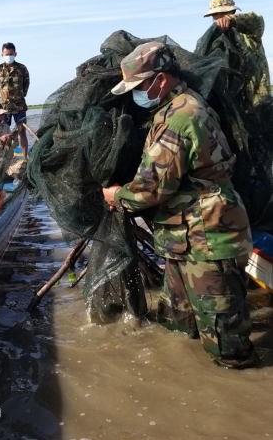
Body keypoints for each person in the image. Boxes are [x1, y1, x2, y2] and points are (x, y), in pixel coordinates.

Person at [102, 41, 258, 369]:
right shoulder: (177, 108)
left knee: (229, 350)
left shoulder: (179, 118)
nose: (136, 95)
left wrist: (117, 196)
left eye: (139, 87)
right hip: (184, 241)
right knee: (178, 327)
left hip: (209, 241)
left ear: (160, 80)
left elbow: (151, 189)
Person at [197, 0, 270, 107]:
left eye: (223, 13)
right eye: (215, 14)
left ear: (233, 11)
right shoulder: (217, 40)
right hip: (235, 102)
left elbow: (256, 19)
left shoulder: (250, 32)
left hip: (257, 98)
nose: (219, 17)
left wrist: (231, 20)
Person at [0, 42, 30, 159]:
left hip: (19, 106)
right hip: (4, 107)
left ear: (15, 54)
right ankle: (7, 159)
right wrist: (3, 98)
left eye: (11, 54)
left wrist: (20, 95)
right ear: (2, 55)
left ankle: (25, 158)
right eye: (6, 54)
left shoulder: (22, 68)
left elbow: (26, 83)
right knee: (5, 133)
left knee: (22, 131)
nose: (9, 56)